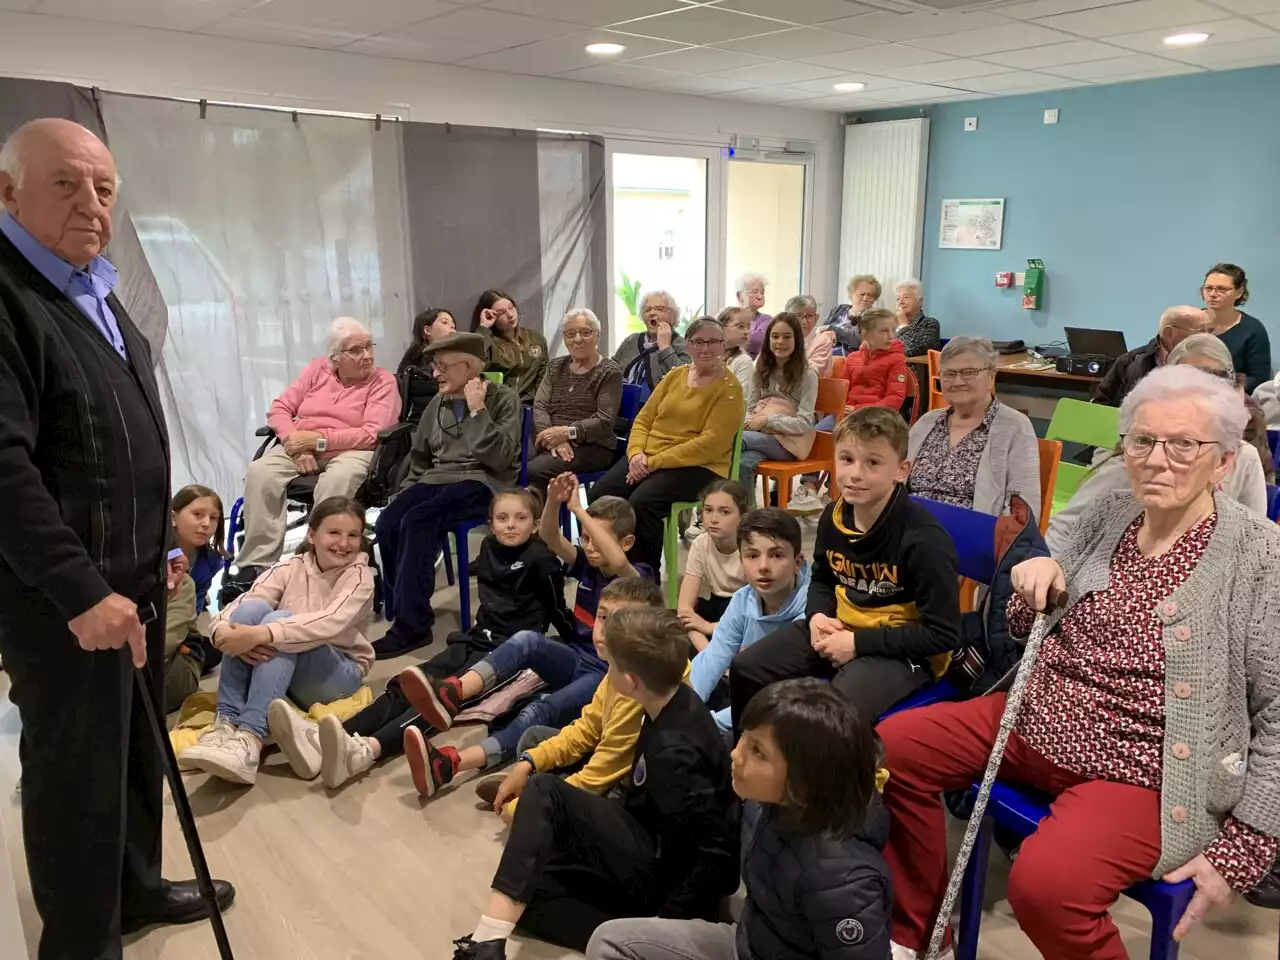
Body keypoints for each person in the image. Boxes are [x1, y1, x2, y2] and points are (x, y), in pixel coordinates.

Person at [878, 364, 1280, 960]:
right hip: (1032, 721)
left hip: (1144, 769)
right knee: (891, 748)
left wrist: (1242, 851)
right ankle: (915, 932)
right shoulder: (1108, 513)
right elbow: (1021, 630)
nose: (1156, 459)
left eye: (1183, 444)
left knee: (1047, 889)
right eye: (1141, 441)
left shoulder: (1260, 557)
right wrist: (1029, 586)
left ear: (1223, 461)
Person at [0, 117, 233, 956]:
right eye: (65, 183)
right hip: (64, 597)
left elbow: (120, 436)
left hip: (129, 574)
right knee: (76, 772)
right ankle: (81, 940)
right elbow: (5, 473)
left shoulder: (93, 287)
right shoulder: (9, 299)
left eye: (104, 187)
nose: (91, 203)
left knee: (135, 748)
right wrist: (81, 589)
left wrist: (161, 540)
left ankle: (134, 888)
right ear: (8, 192)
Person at [450, 608, 740, 960]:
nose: (609, 670)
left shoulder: (675, 751)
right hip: (649, 843)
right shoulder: (670, 699)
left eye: (614, 666)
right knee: (532, 886)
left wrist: (666, 928)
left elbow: (715, 855)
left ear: (630, 680)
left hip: (668, 880)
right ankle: (502, 939)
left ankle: (487, 943)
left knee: (545, 792)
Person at [266, 488, 571, 787]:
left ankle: (366, 750)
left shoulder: (541, 559)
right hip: (474, 639)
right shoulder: (489, 547)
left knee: (436, 703)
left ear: (535, 525)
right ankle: (327, 740)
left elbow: (558, 608)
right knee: (409, 683)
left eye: (520, 518)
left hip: (505, 655)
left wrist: (578, 651)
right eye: (502, 518)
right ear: (490, 524)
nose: (511, 525)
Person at [587, 679, 891, 960]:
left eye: (757, 751)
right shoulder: (763, 803)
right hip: (749, 941)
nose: (736, 754)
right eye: (744, 738)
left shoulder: (841, 881)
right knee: (610, 942)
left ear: (803, 781)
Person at [395, 474, 649, 797]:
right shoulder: (587, 565)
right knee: (526, 639)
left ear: (625, 542)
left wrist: (580, 509)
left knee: (538, 710)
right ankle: (453, 693)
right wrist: (556, 501)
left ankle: (452, 763)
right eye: (584, 538)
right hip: (574, 656)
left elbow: (619, 561)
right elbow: (548, 536)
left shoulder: (639, 577)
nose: (588, 546)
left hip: (605, 674)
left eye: (596, 538)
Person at [729, 407, 960, 727]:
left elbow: (942, 635)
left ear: (902, 470)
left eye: (873, 463)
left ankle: (812, 774)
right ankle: (751, 765)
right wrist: (818, 616)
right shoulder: (833, 517)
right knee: (748, 668)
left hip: (903, 650)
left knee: (829, 716)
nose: (855, 474)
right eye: (847, 459)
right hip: (841, 626)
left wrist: (857, 644)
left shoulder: (925, 541)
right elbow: (822, 577)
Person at [180, 497, 374, 784]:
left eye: (353, 535)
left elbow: (330, 622)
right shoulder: (289, 567)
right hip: (288, 664)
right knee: (251, 611)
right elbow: (244, 604)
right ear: (312, 535)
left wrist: (262, 635)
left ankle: (251, 737)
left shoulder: (360, 576)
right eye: (334, 533)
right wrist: (223, 632)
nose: (343, 543)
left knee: (277, 621)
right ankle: (226, 723)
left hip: (340, 674)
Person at [1048, 334, 1269, 556]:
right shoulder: (1136, 458)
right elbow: (1067, 526)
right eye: (1185, 384)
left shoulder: (1243, 457)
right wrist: (1048, 570)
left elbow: (1254, 540)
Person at [372, 331, 522, 658]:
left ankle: (412, 628)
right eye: (434, 366)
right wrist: (408, 491)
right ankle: (404, 606)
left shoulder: (503, 399)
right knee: (388, 522)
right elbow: (420, 458)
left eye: (442, 366)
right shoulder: (437, 404)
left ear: (468, 368)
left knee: (419, 520)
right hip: (437, 478)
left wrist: (478, 410)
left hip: (484, 482)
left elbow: (500, 459)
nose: (435, 374)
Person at [476, 575, 666, 820]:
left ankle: (539, 798)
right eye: (603, 617)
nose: (606, 630)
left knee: (601, 808)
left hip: (629, 787)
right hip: (607, 760)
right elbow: (587, 728)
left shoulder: (639, 684)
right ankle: (535, 789)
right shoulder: (618, 664)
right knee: (533, 740)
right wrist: (528, 762)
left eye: (622, 623)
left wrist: (521, 812)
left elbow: (603, 771)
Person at [231, 316, 398, 579]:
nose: (367, 356)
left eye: (369, 347)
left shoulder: (383, 382)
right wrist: (296, 445)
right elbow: (280, 409)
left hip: (354, 450)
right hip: (302, 446)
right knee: (260, 472)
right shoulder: (317, 370)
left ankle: (317, 561)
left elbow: (371, 434)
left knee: (337, 481)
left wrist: (318, 441)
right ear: (335, 358)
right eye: (356, 350)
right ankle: (256, 565)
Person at [590, 317, 746, 574]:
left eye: (713, 342)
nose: (706, 348)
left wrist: (651, 463)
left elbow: (710, 444)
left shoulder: (730, 389)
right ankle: (610, 567)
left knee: (643, 502)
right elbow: (644, 419)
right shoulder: (675, 375)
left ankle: (643, 577)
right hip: (649, 458)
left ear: (723, 345)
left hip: (701, 465)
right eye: (698, 342)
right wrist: (636, 453)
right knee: (601, 495)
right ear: (688, 344)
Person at [690, 508, 810, 734]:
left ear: (797, 562)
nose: (763, 566)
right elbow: (713, 660)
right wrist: (680, 712)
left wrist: (704, 726)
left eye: (777, 555)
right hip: (744, 692)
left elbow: (773, 697)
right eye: (752, 556)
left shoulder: (811, 613)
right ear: (741, 560)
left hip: (785, 712)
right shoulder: (742, 600)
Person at [791, 308, 910, 516]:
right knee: (814, 435)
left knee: (847, 443)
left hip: (878, 418)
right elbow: (843, 390)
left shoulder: (897, 360)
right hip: (847, 416)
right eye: (884, 331)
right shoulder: (853, 358)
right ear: (866, 334)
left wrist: (859, 410)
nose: (891, 336)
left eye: (893, 330)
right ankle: (809, 489)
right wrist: (843, 407)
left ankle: (833, 490)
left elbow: (895, 399)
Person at [908, 336, 1040, 521]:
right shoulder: (926, 422)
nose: (958, 381)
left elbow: (1022, 510)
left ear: (992, 376)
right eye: (949, 374)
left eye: (969, 372)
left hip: (972, 539)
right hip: (908, 532)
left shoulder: (1014, 427)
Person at [528, 308, 622, 491]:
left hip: (593, 445)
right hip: (553, 438)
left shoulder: (609, 371)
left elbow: (604, 420)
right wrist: (554, 437)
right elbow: (540, 405)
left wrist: (568, 433)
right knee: (513, 463)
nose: (577, 339)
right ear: (565, 338)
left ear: (597, 335)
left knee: (534, 470)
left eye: (585, 332)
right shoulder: (555, 366)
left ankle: (543, 519)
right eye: (570, 334)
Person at [737, 312, 818, 507]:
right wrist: (753, 422)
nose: (780, 342)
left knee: (736, 439)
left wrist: (767, 421)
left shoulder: (808, 374)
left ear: (797, 340)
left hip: (790, 442)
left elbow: (805, 423)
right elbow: (749, 405)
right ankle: (750, 517)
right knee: (742, 464)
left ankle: (719, 504)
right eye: (775, 336)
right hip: (760, 436)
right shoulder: (760, 367)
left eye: (787, 336)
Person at [165, 485, 229, 708]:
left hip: (183, 621)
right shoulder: (154, 550)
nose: (206, 524)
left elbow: (195, 606)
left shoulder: (211, 561)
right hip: (157, 617)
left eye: (213, 518)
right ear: (173, 517)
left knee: (216, 649)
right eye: (198, 515)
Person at [677, 480, 748, 652]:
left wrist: (708, 628)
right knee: (670, 629)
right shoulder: (701, 543)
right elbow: (685, 608)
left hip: (746, 612)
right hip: (717, 607)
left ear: (742, 516)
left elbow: (758, 615)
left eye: (724, 512)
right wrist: (706, 651)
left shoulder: (751, 547)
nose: (714, 519)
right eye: (708, 510)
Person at [1091, 305, 1210, 407]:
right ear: (1169, 333)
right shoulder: (1130, 362)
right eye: (1200, 331)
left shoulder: (1213, 365)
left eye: (1209, 330)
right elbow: (1101, 406)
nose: (1208, 337)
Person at [1202, 262, 1271, 392]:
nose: (1213, 294)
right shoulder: (1187, 321)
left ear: (1239, 292)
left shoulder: (1253, 329)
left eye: (1221, 289)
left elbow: (1259, 379)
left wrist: (1221, 388)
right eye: (1208, 288)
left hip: (1232, 399)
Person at [473, 288, 548, 405]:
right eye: (501, 313)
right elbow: (474, 362)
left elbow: (543, 378)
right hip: (499, 406)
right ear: (491, 316)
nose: (510, 314)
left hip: (530, 406)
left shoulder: (536, 339)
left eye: (511, 307)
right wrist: (483, 327)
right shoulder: (488, 340)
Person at [613, 289, 690, 389]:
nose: (652, 313)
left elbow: (684, 379)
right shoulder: (631, 340)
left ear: (672, 316)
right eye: (647, 309)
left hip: (659, 404)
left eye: (659, 309)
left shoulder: (683, 344)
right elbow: (610, 369)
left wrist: (665, 348)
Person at [396, 307, 457, 419]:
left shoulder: (458, 354)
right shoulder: (416, 358)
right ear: (427, 330)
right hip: (426, 419)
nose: (452, 326)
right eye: (445, 322)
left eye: (453, 323)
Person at [821, 273, 882, 352]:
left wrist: (832, 329)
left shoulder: (874, 316)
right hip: (826, 356)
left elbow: (858, 340)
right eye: (862, 294)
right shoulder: (839, 309)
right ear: (851, 295)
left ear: (875, 298)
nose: (865, 298)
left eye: (870, 295)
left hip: (853, 360)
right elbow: (821, 331)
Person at [891, 278, 941, 358]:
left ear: (920, 301)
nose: (901, 302)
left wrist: (903, 325)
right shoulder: (890, 325)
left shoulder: (930, 324)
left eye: (906, 297)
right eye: (897, 298)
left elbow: (909, 350)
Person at [787, 293, 835, 377]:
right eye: (798, 316)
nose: (804, 322)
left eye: (809, 316)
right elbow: (761, 363)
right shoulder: (781, 338)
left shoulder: (823, 341)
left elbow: (811, 372)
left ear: (816, 318)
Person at [718, 305, 755, 388]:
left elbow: (741, 398)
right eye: (740, 326)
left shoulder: (743, 361)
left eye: (748, 327)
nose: (746, 331)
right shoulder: (708, 356)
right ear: (721, 328)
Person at [739, 272, 774, 357]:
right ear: (739, 295)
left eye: (762, 292)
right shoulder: (729, 316)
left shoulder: (767, 320)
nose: (760, 296)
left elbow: (757, 342)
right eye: (755, 292)